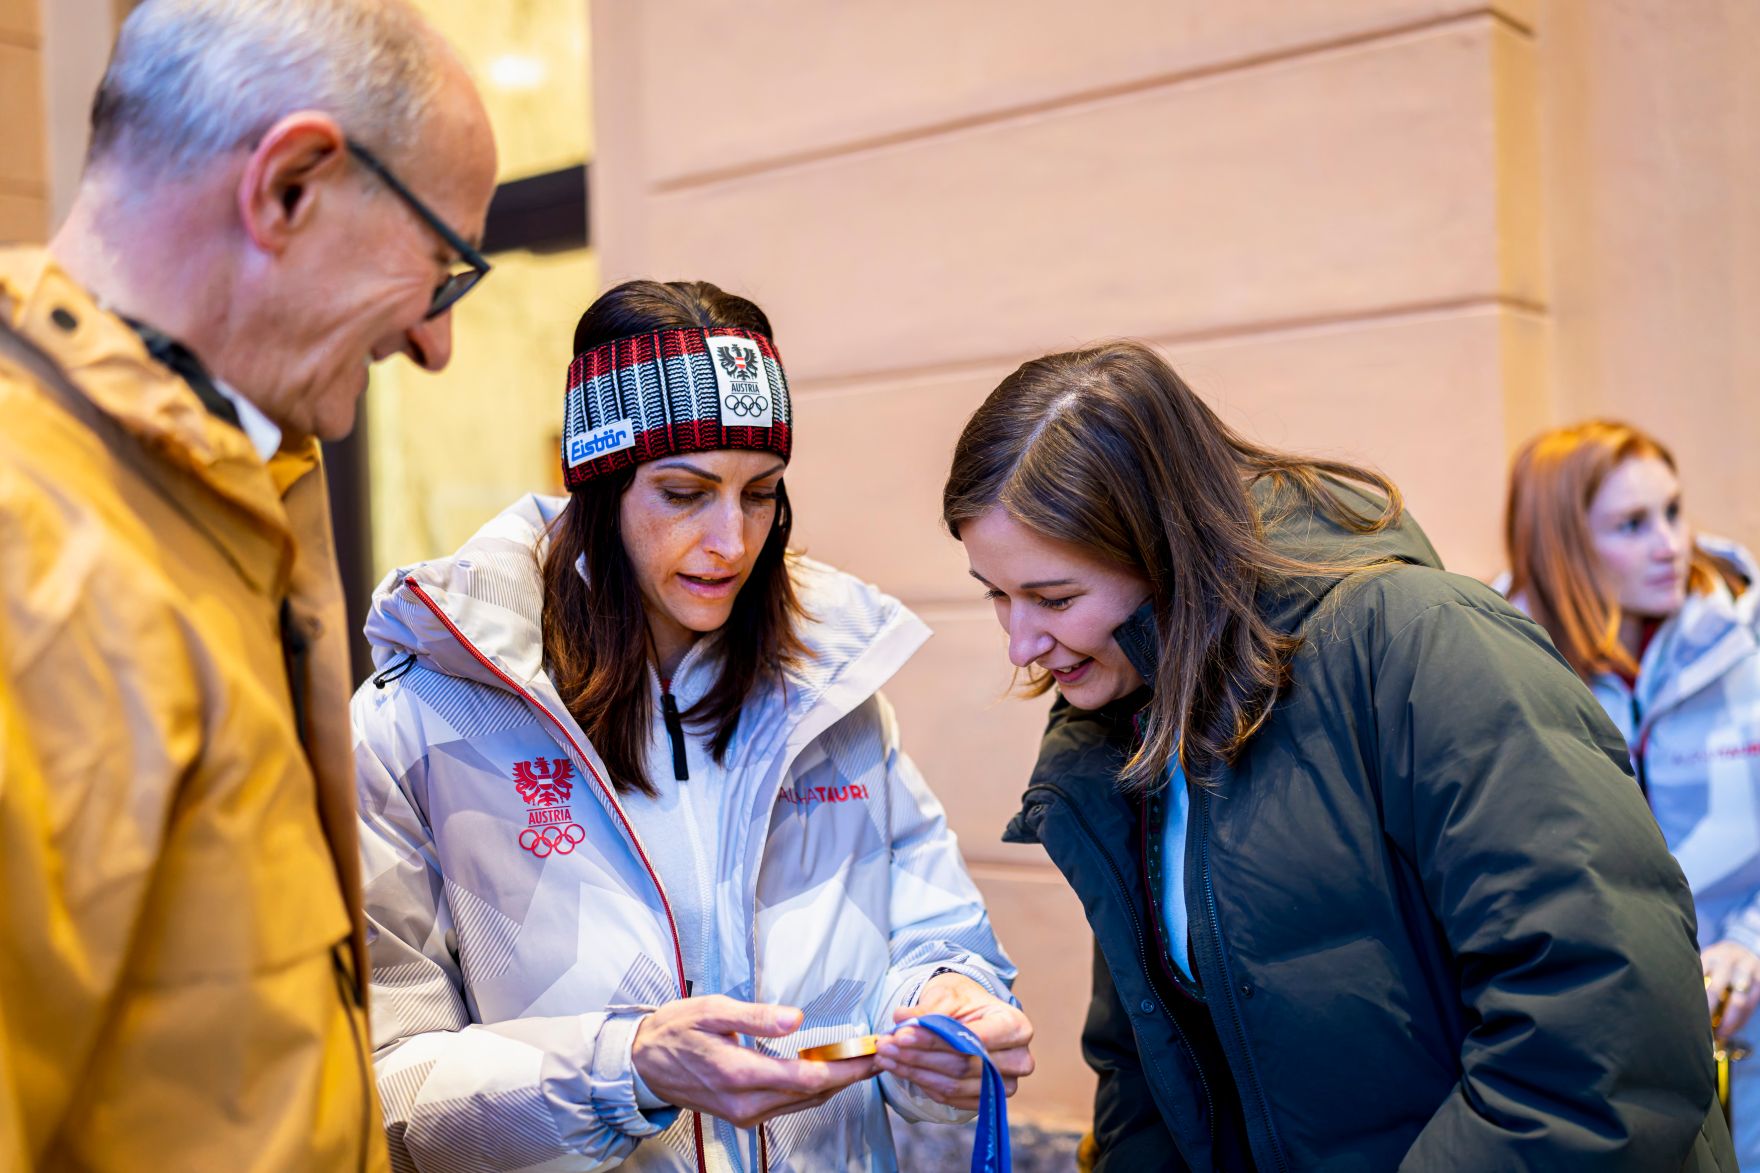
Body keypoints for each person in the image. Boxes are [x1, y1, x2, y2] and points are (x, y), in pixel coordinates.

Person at [940, 340, 1734, 1171]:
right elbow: (1152, 1076)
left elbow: (1604, 1019)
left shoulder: (1427, 645)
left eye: (1053, 597)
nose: (1020, 643)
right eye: (995, 593)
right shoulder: (1122, 729)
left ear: (1166, 550)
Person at [351, 279, 1030, 1170]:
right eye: (684, 491)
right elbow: (384, 1083)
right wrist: (627, 1067)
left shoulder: (829, 689)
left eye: (761, 493)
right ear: (595, 480)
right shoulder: (422, 716)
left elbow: (934, 935)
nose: (731, 541)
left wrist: (946, 1005)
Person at [0, 1, 497, 1167]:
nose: (436, 344)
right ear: (289, 188)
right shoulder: (38, 541)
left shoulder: (210, 490)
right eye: (443, 266)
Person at [1506, 419, 1760, 1164]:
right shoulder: (1503, 670)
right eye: (1632, 524)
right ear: (1563, 547)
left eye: (1674, 511)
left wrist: (1748, 944)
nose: (1671, 545)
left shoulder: (1749, 645)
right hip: (1603, 1055)